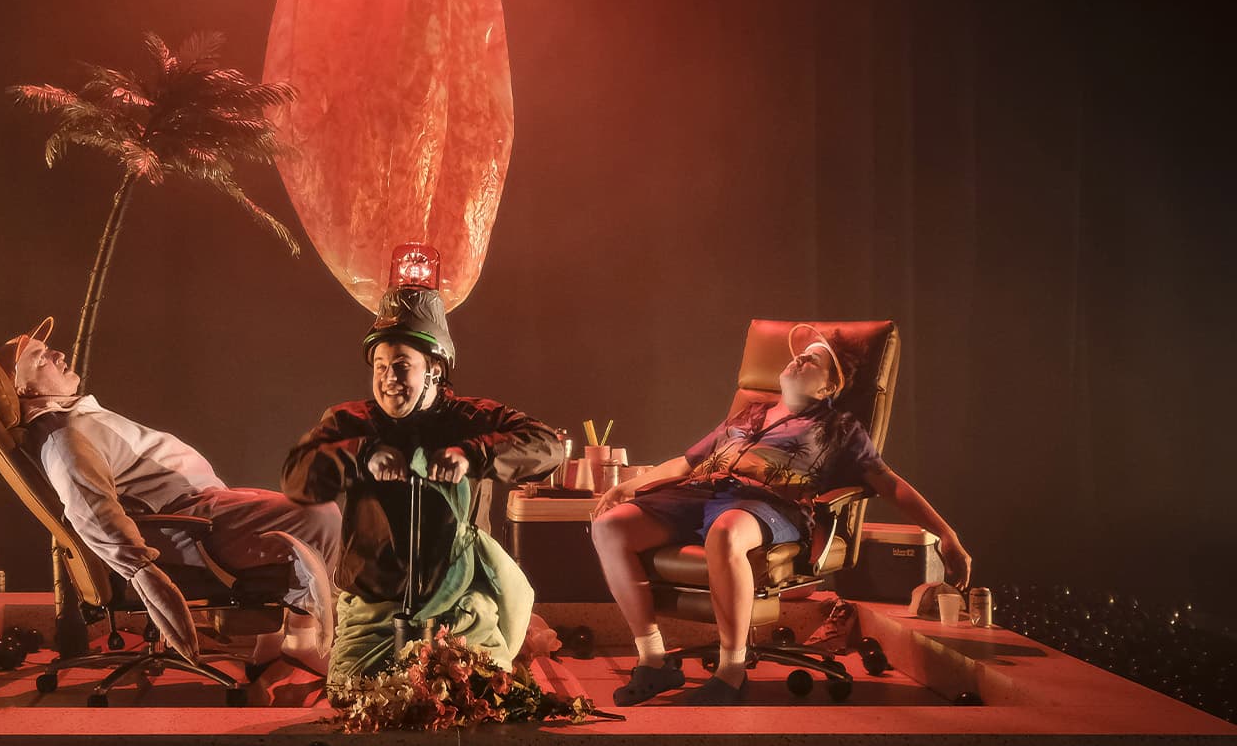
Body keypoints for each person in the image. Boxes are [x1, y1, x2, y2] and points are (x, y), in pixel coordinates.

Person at [591, 324, 972, 706]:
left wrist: (946, 534)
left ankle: (731, 673)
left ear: (827, 387)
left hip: (770, 503)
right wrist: (627, 487)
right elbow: (686, 463)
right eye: (799, 355)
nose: (799, 359)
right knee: (610, 527)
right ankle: (654, 660)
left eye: (814, 360)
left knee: (726, 532)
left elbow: (890, 485)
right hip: (703, 492)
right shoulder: (749, 413)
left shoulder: (839, 429)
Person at [0, 318, 340, 671]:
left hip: (200, 507)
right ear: (21, 388)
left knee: (300, 505)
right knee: (317, 515)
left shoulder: (71, 419)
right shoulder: (63, 438)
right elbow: (91, 512)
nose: (58, 354)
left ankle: (269, 646)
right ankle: (301, 642)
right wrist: (145, 574)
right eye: (40, 358)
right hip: (190, 524)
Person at [282, 284, 564, 689]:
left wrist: (474, 454)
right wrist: (361, 455)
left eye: (401, 365)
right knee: (358, 703)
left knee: (474, 705)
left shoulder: (472, 420)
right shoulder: (350, 422)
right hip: (373, 612)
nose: (388, 379)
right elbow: (297, 475)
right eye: (380, 366)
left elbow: (547, 446)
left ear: (434, 367)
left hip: (461, 611)